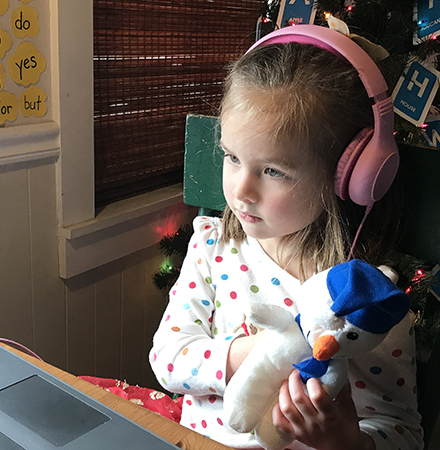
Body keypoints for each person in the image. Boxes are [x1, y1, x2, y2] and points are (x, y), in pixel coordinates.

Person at [149, 25, 422, 450]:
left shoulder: (364, 304)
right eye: (232, 157)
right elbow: (167, 357)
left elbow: (402, 430)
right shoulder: (212, 247)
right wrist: (256, 354)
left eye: (273, 171)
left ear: (348, 176)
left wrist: (346, 441)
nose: (241, 189)